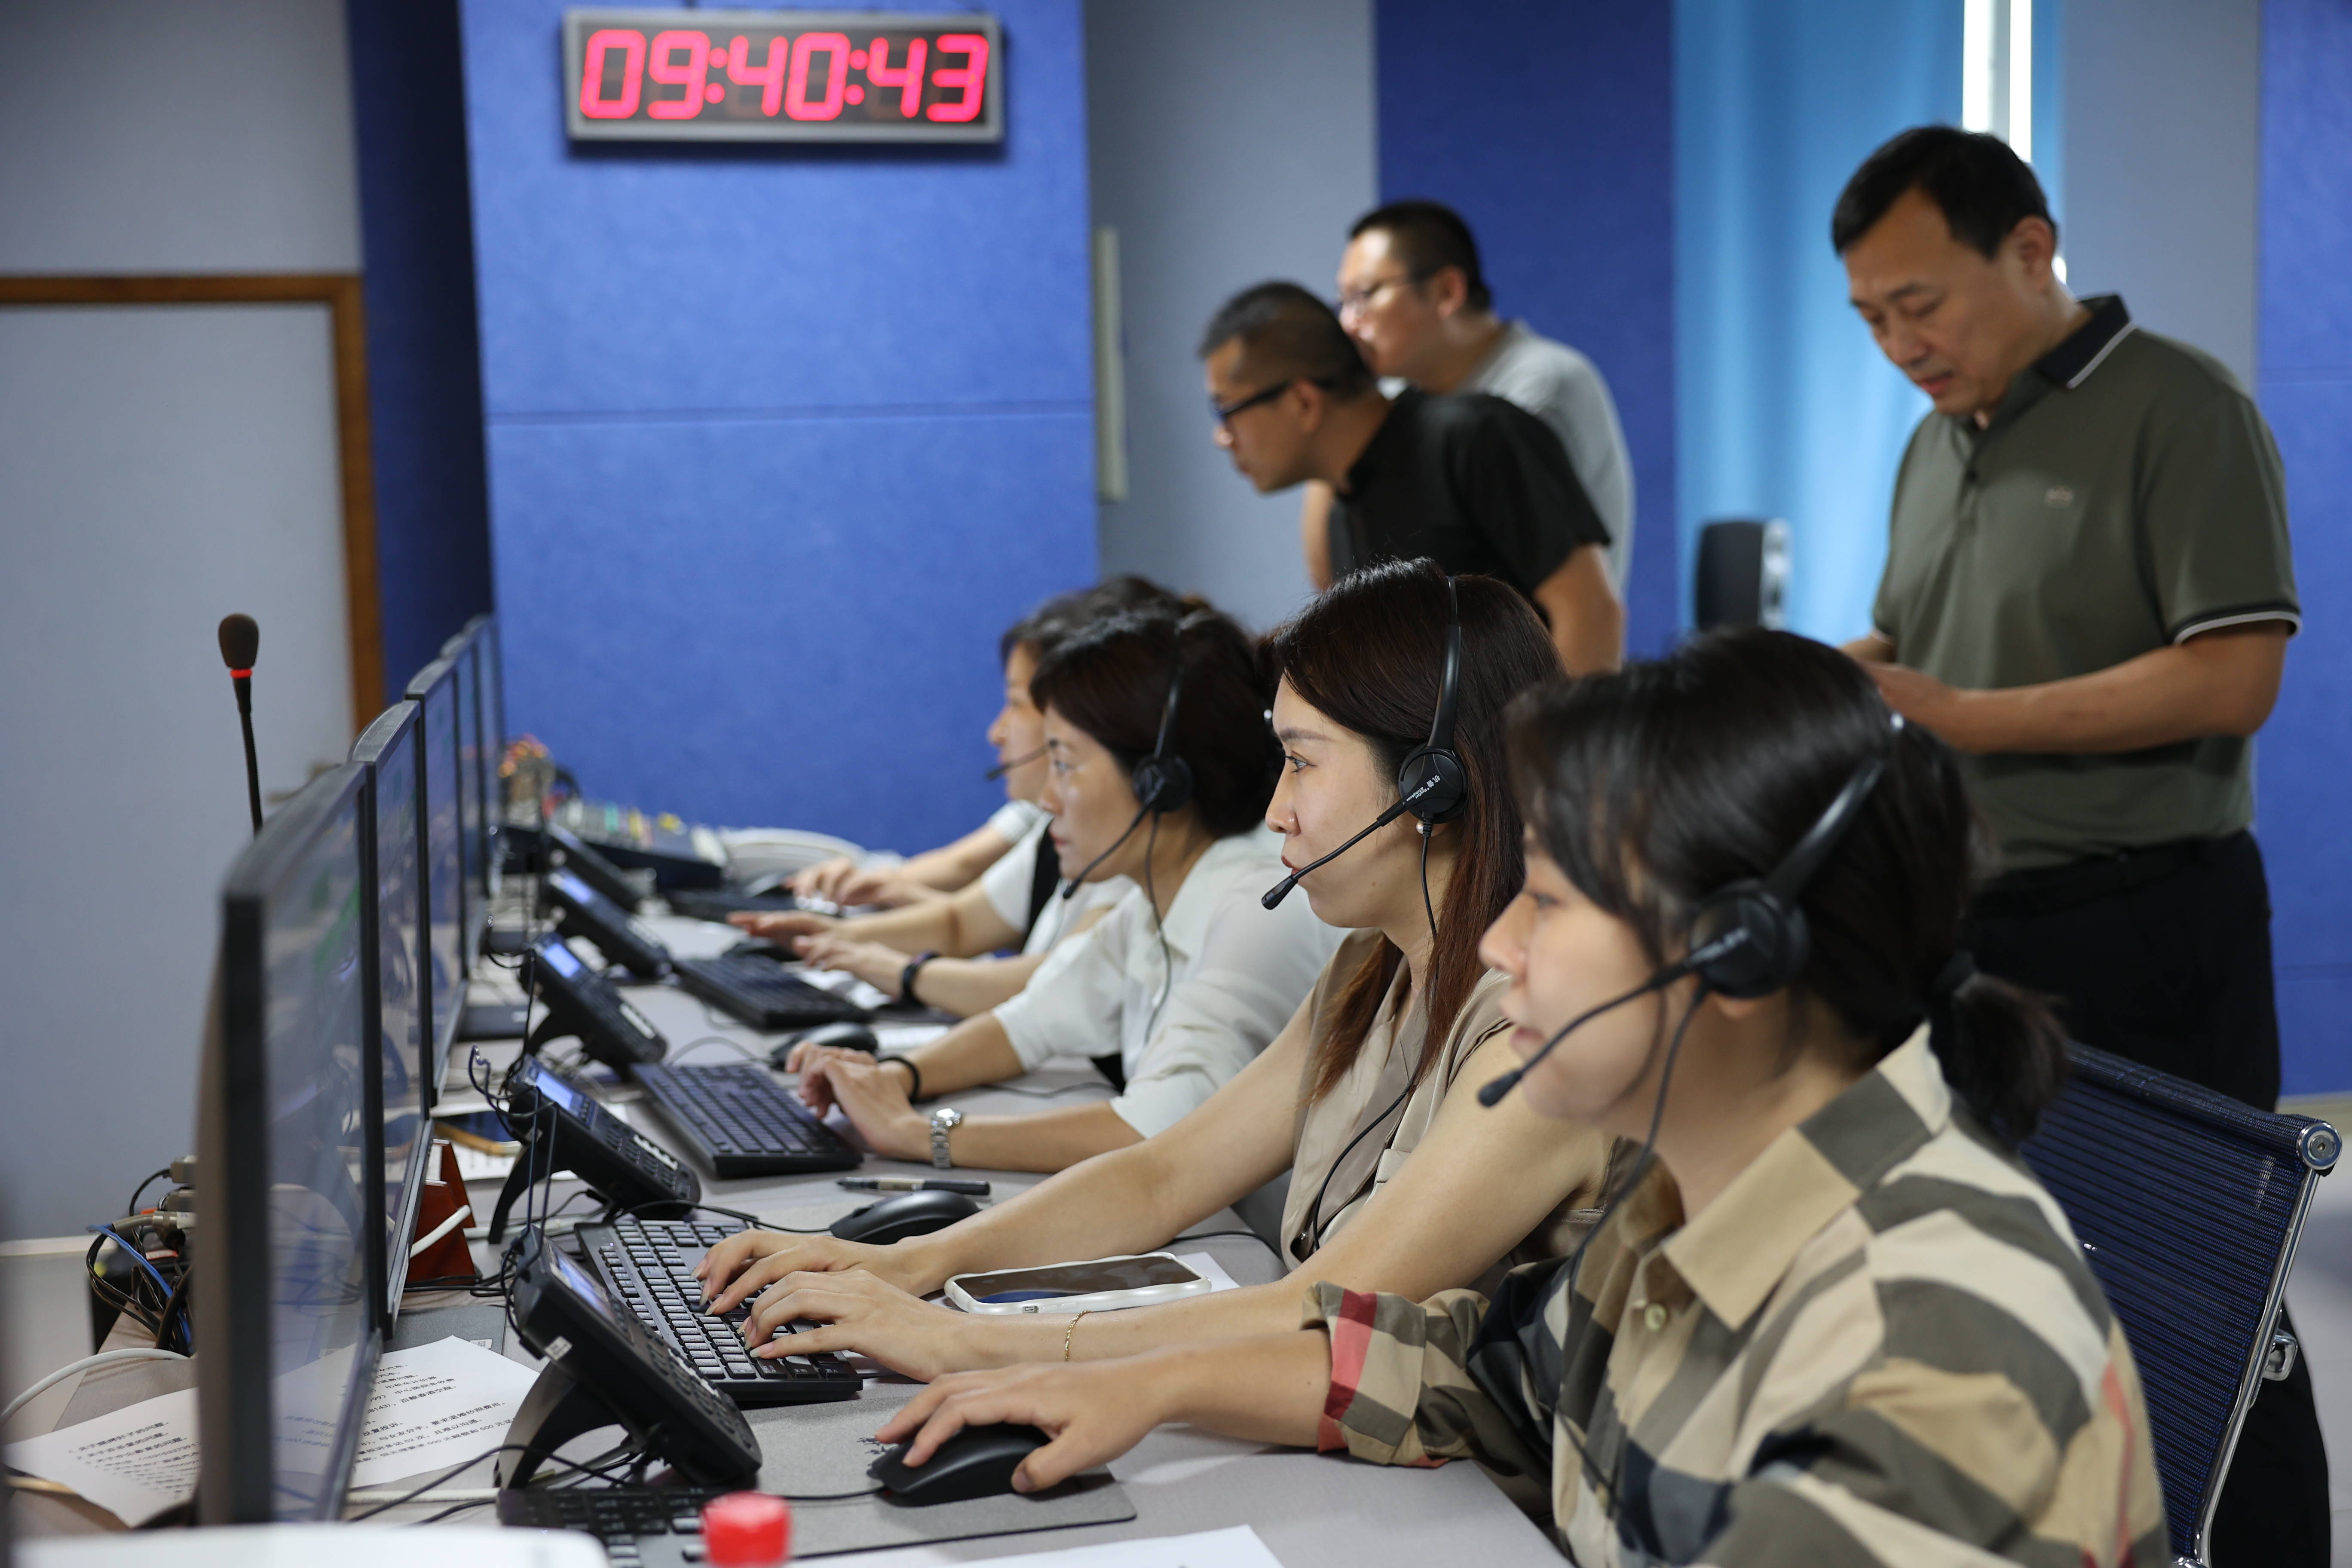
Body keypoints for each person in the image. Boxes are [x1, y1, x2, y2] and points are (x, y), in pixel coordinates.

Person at [866, 629, 2171, 1568]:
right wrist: (1142, 1387)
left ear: (1736, 955)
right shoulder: (1681, 1208)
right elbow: (1472, 1375)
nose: (1499, 945)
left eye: (1547, 901)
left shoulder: (1924, 1351)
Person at [694, 562, 1619, 1377]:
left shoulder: (1534, 1037)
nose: (1277, 810)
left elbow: (1324, 1305)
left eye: (1301, 763)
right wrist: (907, 1264)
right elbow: (1163, 1175)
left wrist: (964, 1341)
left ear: (1430, 783)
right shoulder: (1368, 971)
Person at [1834, 127, 2321, 1563]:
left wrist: (1965, 715)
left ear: (2031, 251)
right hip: (1972, 926)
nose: (1899, 345)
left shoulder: (2180, 407)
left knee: (2198, 1292)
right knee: (2000, 1270)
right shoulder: (1937, 443)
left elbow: (2233, 675)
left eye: (1920, 303)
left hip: (2146, 920)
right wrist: (1830, 677)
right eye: (1870, 318)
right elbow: (1913, 642)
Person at [775, 605, 1341, 1173]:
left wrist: (920, 1134)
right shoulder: (1155, 898)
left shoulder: (1256, 908)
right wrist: (896, 1079)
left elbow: (1153, 1131)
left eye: (1065, 765)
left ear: (1158, 783)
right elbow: (1029, 1021)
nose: (1047, 800)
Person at [734, 579, 1173, 1017]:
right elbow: (961, 923)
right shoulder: (1053, 828)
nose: (996, 732)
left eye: (1016, 703)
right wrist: (832, 936)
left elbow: (1050, 993)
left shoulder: (1125, 853)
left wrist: (898, 971)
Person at [1201, 281, 1622, 674]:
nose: (1221, 438)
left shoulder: (1475, 436)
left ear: (1302, 402)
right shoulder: (1342, 503)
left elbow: (1590, 611)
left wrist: (1547, 734)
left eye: (1226, 410)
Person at [779, 576, 1181, 910]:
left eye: (1016, 703)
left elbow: (1044, 972)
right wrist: (867, 891)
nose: (996, 732)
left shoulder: (1118, 844)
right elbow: (962, 892)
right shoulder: (1042, 818)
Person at [1298, 200, 1635, 595]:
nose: (1349, 323)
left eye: (1364, 295)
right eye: (1343, 301)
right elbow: (1338, 584)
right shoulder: (1397, 394)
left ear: (1447, 292)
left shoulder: (1540, 386)